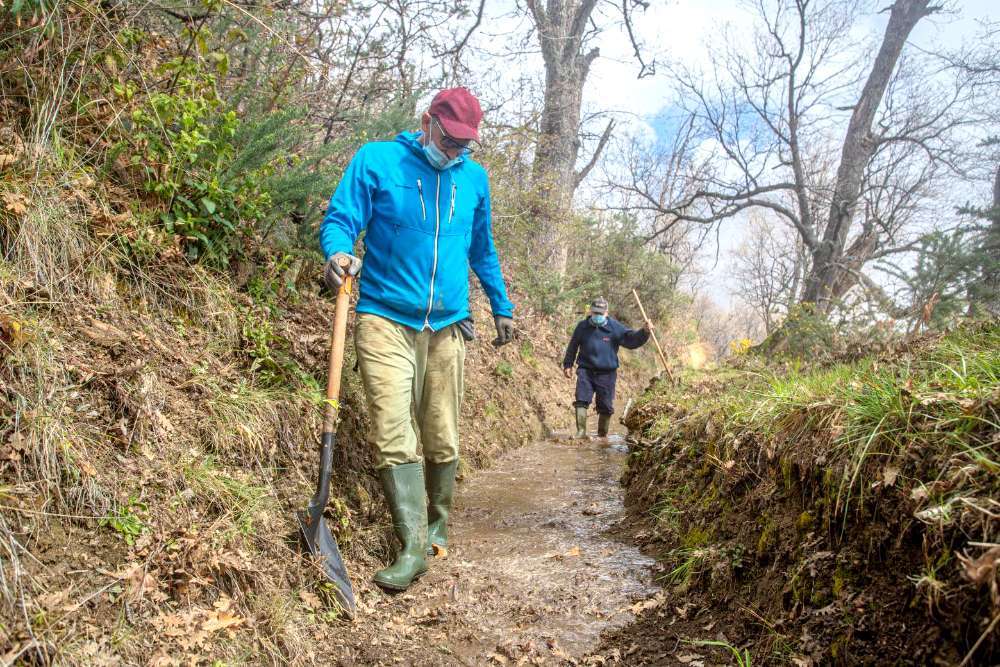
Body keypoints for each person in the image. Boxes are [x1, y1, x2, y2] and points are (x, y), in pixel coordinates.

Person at [319, 87, 515, 591]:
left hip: (447, 323)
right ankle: (411, 546)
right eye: (448, 141)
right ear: (426, 122)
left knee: (442, 432)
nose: (454, 153)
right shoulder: (378, 160)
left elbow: (482, 248)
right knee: (392, 427)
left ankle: (437, 526)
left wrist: (501, 306)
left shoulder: (474, 178)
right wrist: (339, 253)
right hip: (384, 314)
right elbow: (342, 218)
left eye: (464, 146)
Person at [562, 297, 649, 438]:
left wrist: (644, 332)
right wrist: (568, 364)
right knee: (581, 399)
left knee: (606, 406)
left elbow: (631, 340)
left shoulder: (615, 328)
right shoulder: (582, 327)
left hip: (607, 374)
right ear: (591, 311)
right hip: (586, 370)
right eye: (595, 313)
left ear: (606, 313)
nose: (597, 316)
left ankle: (602, 436)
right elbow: (573, 346)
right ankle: (581, 433)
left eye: (600, 314)